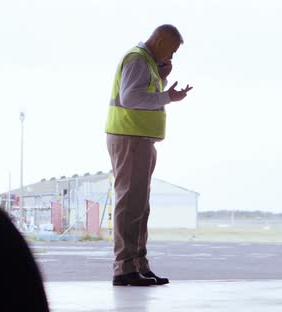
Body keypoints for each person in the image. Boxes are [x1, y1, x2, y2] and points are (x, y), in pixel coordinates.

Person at [105, 24, 193, 286]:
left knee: (140, 207)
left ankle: (138, 264)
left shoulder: (147, 63)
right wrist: (167, 96)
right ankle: (124, 268)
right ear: (161, 40)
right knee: (130, 204)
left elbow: (142, 93)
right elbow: (131, 98)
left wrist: (163, 79)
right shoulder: (137, 59)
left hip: (141, 140)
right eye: (172, 50)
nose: (172, 56)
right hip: (130, 139)